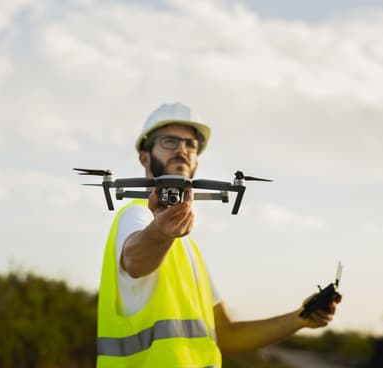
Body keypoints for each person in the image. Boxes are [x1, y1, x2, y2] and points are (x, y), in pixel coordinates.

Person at [96, 102, 341, 367]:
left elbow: (225, 335)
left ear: (197, 163)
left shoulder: (189, 250)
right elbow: (136, 259)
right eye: (169, 141)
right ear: (144, 157)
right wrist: (159, 233)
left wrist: (298, 319)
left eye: (190, 145)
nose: (181, 149)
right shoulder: (136, 215)